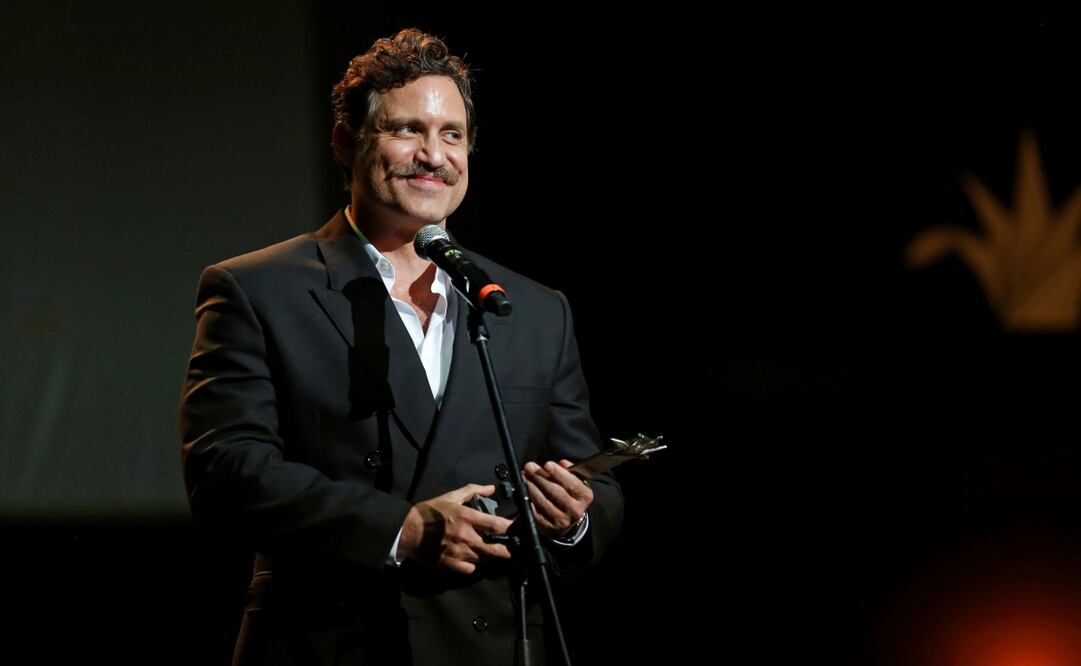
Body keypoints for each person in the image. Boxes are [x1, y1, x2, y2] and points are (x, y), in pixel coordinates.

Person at [179, 28, 623, 666]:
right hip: (332, 643)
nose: (433, 156)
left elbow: (592, 481)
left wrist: (574, 515)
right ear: (346, 143)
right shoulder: (257, 289)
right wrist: (402, 528)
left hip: (493, 643)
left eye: (452, 135)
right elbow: (225, 474)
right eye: (407, 130)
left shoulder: (530, 309)